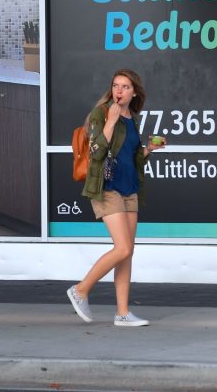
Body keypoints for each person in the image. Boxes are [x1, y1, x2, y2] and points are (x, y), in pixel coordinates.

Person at [67, 69, 165, 326]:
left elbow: (132, 158)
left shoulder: (132, 118)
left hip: (129, 188)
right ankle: (80, 289)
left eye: (124, 87)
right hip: (106, 187)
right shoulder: (102, 113)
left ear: (134, 92)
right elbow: (97, 152)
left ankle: (122, 313)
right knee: (122, 247)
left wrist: (149, 149)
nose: (119, 91)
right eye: (115, 86)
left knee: (127, 252)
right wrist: (110, 122)